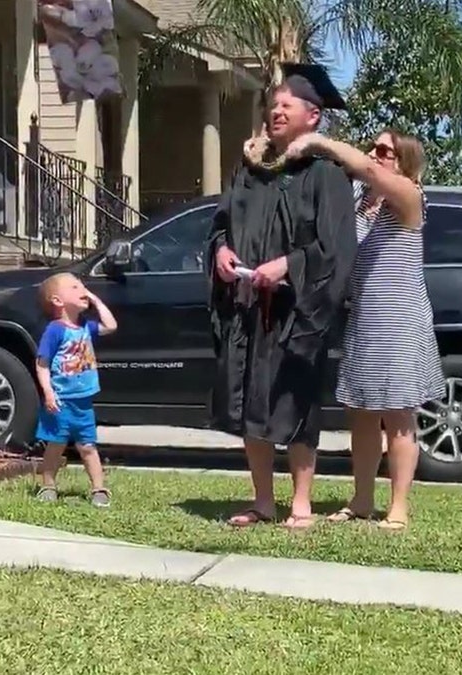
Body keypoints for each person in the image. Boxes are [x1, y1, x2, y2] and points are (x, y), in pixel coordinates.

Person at [207, 62, 357, 530]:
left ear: (312, 116)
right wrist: (221, 252)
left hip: (297, 313)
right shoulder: (249, 170)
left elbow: (336, 248)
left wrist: (288, 266)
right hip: (248, 307)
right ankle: (263, 502)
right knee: (252, 405)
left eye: (285, 106)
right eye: (272, 105)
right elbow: (219, 225)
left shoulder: (324, 174)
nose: (275, 112)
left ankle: (302, 504)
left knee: (295, 406)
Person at [298, 129, 444, 532]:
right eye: (373, 147)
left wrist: (318, 141)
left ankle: (398, 506)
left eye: (385, 151)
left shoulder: (410, 197)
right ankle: (361, 499)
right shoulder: (363, 204)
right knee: (361, 413)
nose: (374, 155)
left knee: (398, 415)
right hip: (363, 317)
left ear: (405, 163)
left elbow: (362, 168)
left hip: (400, 321)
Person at [33, 272, 118, 507]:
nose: (82, 290)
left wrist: (96, 300)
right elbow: (42, 364)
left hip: (83, 402)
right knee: (56, 446)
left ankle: (99, 488)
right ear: (57, 300)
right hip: (61, 401)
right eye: (74, 287)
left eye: (83, 286)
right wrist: (48, 393)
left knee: (88, 446)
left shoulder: (86, 327)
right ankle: (47, 485)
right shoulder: (55, 330)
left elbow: (111, 326)